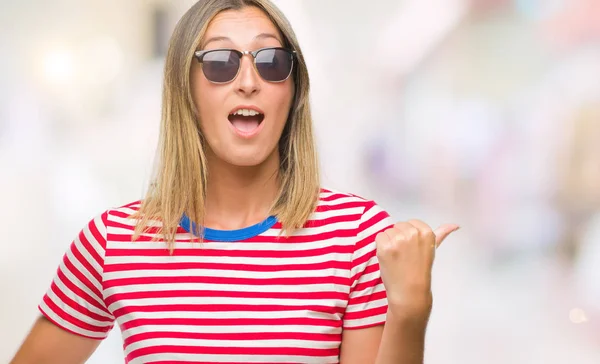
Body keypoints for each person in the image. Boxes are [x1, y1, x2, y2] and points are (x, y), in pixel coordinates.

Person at [10, 0, 459, 363]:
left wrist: (410, 311)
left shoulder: (356, 233)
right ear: (184, 88)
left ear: (293, 88)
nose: (248, 81)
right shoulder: (111, 243)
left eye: (271, 61)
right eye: (221, 62)